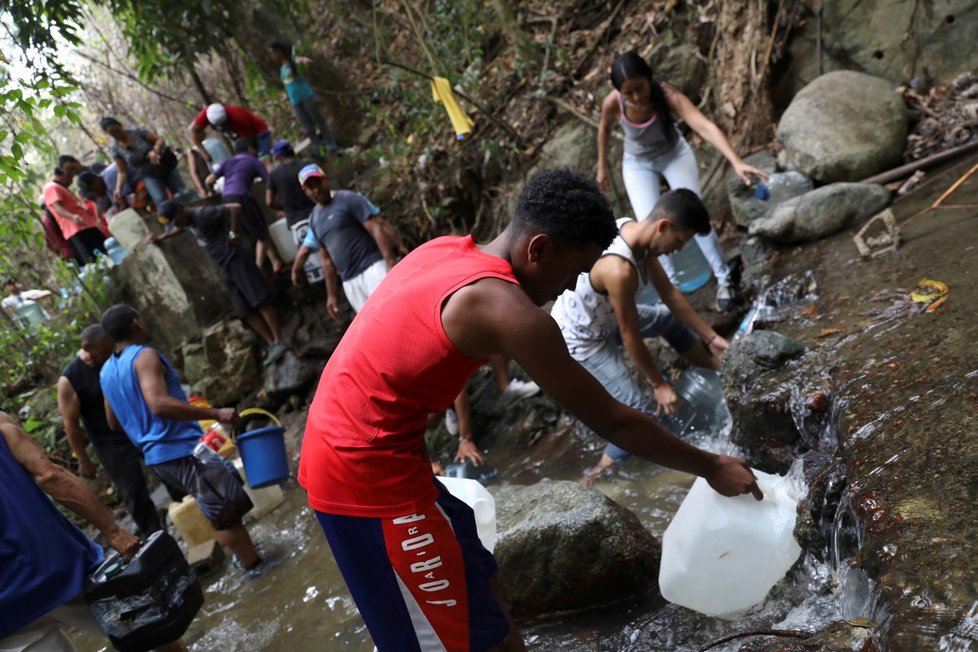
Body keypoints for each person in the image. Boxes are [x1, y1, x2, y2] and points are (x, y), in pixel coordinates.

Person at [297, 168, 761, 651]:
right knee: (443, 640)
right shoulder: (509, 311)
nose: (568, 288)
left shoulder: (447, 249)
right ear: (538, 249)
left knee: (482, 579)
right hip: (361, 476)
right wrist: (710, 465)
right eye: (572, 272)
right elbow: (613, 419)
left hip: (383, 448)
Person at [551, 189, 730, 481]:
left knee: (668, 321)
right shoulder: (619, 269)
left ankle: (713, 369)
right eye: (681, 240)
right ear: (663, 227)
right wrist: (658, 383)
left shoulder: (635, 233)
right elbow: (629, 334)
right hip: (579, 339)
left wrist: (712, 339)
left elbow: (670, 294)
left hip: (604, 320)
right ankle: (596, 478)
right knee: (637, 414)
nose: (680, 249)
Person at [0, 410, 187, 652]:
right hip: (62, 570)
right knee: (158, 635)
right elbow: (50, 476)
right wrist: (114, 533)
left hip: (7, 609)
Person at [596, 51, 768, 311]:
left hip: (673, 154)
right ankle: (671, 292)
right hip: (637, 163)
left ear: (649, 79)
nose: (635, 97)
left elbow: (704, 126)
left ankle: (724, 279)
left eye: (639, 89)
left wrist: (736, 160)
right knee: (651, 225)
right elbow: (604, 127)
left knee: (693, 212)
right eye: (627, 93)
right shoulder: (614, 103)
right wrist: (602, 166)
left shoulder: (667, 95)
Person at [99, 304, 262, 572]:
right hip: (181, 451)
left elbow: (113, 421)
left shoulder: (106, 371)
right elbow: (159, 404)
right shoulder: (144, 356)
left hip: (159, 459)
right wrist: (215, 412)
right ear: (136, 323)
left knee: (221, 501)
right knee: (226, 515)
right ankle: (256, 569)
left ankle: (243, 556)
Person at [151, 200, 288, 366]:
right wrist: (162, 236)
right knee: (244, 310)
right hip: (224, 266)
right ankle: (271, 341)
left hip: (235, 259)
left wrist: (233, 233)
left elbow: (235, 207)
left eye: (176, 219)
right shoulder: (188, 222)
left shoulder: (203, 214)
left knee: (259, 301)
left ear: (181, 210)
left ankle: (279, 339)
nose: (177, 224)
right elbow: (179, 228)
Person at [58, 324, 164, 535]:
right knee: (134, 491)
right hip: (109, 442)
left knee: (168, 467)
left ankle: (187, 506)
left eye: (111, 350)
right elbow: (71, 424)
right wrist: (83, 459)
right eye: (104, 352)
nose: (109, 356)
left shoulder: (117, 355)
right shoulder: (70, 379)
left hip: (139, 425)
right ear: (87, 347)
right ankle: (156, 536)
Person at [291, 164, 396, 318]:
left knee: (391, 313)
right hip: (349, 281)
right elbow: (326, 260)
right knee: (373, 325)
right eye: (310, 187)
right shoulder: (314, 219)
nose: (316, 190)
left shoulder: (347, 198)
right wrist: (331, 295)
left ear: (326, 181)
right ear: (305, 192)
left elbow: (376, 227)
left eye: (318, 183)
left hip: (372, 268)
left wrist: (390, 262)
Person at [206, 137, 285, 274]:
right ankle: (259, 270)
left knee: (259, 231)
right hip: (242, 196)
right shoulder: (253, 161)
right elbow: (269, 181)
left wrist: (210, 192)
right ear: (250, 148)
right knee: (262, 234)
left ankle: (275, 262)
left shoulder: (227, 162)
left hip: (227, 199)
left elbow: (209, 180)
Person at [100, 116, 189, 210]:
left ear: (120, 125)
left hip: (164, 165)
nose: (117, 134)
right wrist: (118, 189)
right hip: (148, 174)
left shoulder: (137, 132)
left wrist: (155, 150)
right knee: (160, 200)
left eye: (117, 130)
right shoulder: (116, 149)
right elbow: (122, 172)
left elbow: (160, 140)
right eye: (113, 134)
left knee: (181, 192)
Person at [269, 42, 339, 159]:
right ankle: (317, 153)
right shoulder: (282, 69)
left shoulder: (292, 63)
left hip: (306, 97)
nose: (273, 56)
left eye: (273, 53)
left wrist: (304, 61)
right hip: (296, 102)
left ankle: (332, 147)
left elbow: (299, 60)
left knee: (320, 124)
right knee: (309, 129)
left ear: (279, 52)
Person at [43, 155, 106, 265]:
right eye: (70, 176)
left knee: (106, 251)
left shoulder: (61, 188)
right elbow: (57, 207)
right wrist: (72, 217)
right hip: (78, 230)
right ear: (62, 175)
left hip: (88, 226)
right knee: (93, 262)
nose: (72, 180)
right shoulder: (51, 187)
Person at [189, 103, 272, 163]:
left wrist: (252, 151)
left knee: (263, 160)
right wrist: (203, 152)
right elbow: (193, 130)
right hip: (242, 137)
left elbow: (249, 139)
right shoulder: (207, 113)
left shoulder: (238, 117)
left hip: (259, 133)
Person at [266, 140, 317, 227]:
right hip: (317, 214)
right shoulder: (308, 165)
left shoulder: (274, 174)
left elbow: (269, 201)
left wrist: (285, 208)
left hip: (296, 222)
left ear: (278, 156)